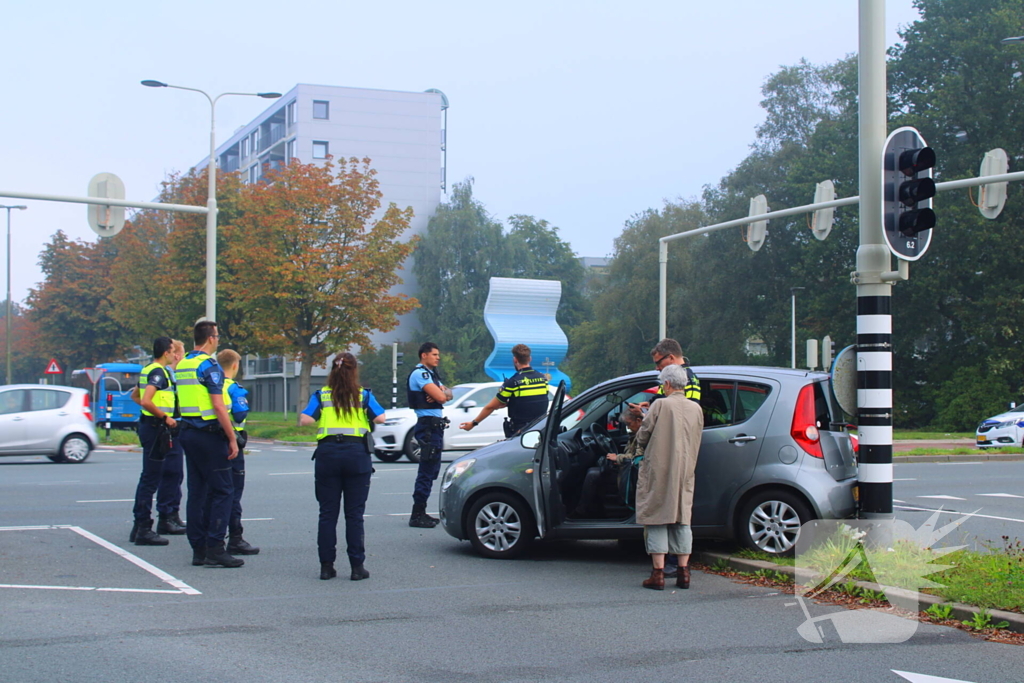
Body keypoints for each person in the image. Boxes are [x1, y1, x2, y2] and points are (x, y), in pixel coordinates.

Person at [299, 352, 385, 581]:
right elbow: (381, 418)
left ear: (332, 371)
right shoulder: (363, 396)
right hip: (356, 456)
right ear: (354, 371)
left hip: (328, 456)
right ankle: (357, 567)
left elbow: (305, 419)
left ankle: (326, 567)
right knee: (354, 515)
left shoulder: (322, 395)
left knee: (327, 514)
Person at [176, 320, 242, 569]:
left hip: (188, 433)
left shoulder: (183, 364)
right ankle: (216, 548)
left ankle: (199, 549)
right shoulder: (209, 365)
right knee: (223, 491)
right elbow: (217, 405)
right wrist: (232, 437)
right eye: (217, 336)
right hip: (209, 434)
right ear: (211, 339)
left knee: (197, 491)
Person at [634, 364, 704, 591]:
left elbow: (643, 435)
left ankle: (658, 573)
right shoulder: (696, 408)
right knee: (682, 518)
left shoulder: (660, 405)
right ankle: (684, 571)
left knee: (656, 517)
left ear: (666, 384)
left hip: (660, 469)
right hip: (685, 470)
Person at [128, 336, 185, 546]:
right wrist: (165, 417)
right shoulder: (158, 372)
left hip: (152, 426)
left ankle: (140, 527)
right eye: (172, 351)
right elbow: (144, 399)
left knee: (153, 476)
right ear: (166, 352)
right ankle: (143, 527)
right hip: (156, 428)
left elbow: (136, 396)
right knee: (151, 478)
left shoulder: (148, 369)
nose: (175, 354)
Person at [217, 349, 259, 556]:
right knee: (233, 492)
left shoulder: (210, 385)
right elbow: (240, 414)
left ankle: (212, 536)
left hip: (211, 440)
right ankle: (235, 537)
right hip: (232, 443)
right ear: (235, 365)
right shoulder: (234, 388)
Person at [406, 342, 452, 528]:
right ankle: (417, 514)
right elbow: (442, 398)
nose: (437, 357)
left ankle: (421, 511)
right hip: (427, 427)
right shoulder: (421, 374)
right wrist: (441, 393)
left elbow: (449, 394)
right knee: (426, 471)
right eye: (434, 354)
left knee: (432, 470)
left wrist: (441, 392)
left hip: (435, 428)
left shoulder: (432, 375)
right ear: (424, 355)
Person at [459, 343, 549, 438]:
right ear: (530, 359)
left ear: (515, 360)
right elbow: (537, 399)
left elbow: (490, 407)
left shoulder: (513, 382)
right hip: (541, 429)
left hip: (521, 431)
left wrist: (473, 423)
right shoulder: (543, 379)